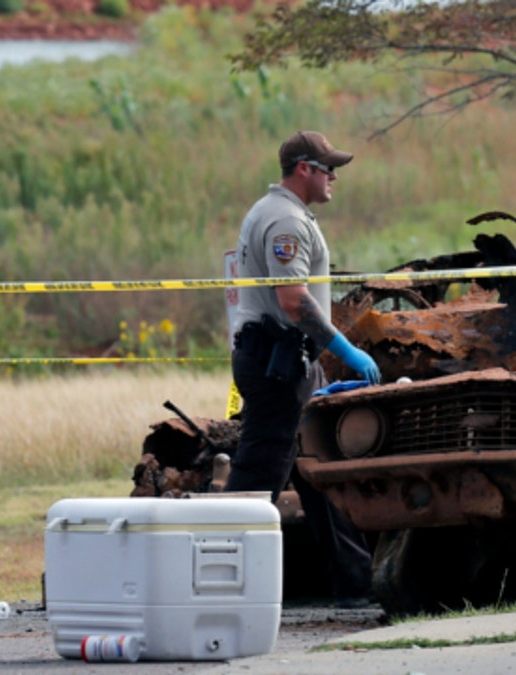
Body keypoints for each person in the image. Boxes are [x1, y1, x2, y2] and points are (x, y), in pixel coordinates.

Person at [226, 130, 381, 608]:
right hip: (277, 363)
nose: (334, 176)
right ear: (303, 169)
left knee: (321, 468)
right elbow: (293, 302)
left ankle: (356, 585)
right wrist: (347, 350)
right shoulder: (284, 221)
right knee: (256, 482)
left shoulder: (287, 215)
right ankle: (217, 584)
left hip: (291, 362)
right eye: (327, 167)